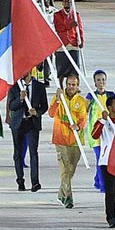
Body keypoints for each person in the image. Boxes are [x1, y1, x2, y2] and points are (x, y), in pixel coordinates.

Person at [48, 72, 88, 209]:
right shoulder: (59, 97)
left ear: (78, 86)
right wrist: (58, 100)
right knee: (65, 171)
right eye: (69, 84)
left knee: (70, 171)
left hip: (76, 141)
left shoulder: (82, 101)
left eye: (74, 85)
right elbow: (51, 113)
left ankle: (61, 193)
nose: (71, 87)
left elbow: (84, 119)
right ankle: (68, 198)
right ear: (66, 85)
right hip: (60, 139)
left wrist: (78, 126)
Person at [8, 69, 46, 192]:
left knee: (33, 152)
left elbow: (44, 106)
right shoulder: (14, 86)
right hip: (18, 123)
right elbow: (11, 106)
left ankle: (35, 182)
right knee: (18, 153)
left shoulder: (39, 86)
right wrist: (20, 99)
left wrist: (37, 112)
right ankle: (20, 181)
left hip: (32, 123)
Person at [94, 94, 115, 228]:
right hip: (106, 161)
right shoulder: (103, 122)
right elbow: (94, 135)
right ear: (109, 107)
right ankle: (111, 217)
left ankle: (112, 203)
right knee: (110, 191)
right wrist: (103, 121)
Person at [87, 70, 115, 191]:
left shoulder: (111, 95)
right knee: (101, 158)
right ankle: (104, 186)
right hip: (96, 132)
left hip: (108, 133)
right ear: (94, 82)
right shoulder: (91, 97)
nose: (101, 82)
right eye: (98, 80)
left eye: (103, 80)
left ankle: (98, 179)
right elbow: (84, 111)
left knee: (105, 158)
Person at [53, 0, 83, 81]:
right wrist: (70, 25)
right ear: (62, 3)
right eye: (65, 2)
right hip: (62, 43)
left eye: (69, 2)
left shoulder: (76, 15)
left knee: (75, 66)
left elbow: (80, 29)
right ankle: (61, 86)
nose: (67, 3)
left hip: (73, 42)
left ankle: (76, 84)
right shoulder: (57, 15)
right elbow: (59, 28)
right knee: (61, 67)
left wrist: (81, 40)